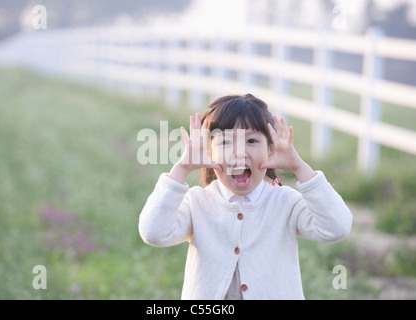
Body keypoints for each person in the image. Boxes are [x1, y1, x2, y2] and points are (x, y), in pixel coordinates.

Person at [138, 93, 352, 299]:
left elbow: (337, 227)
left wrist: (299, 166)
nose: (238, 152)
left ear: (271, 151)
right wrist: (182, 168)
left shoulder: (285, 202)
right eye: (225, 143)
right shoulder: (197, 203)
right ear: (209, 153)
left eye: (251, 141)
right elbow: (154, 232)